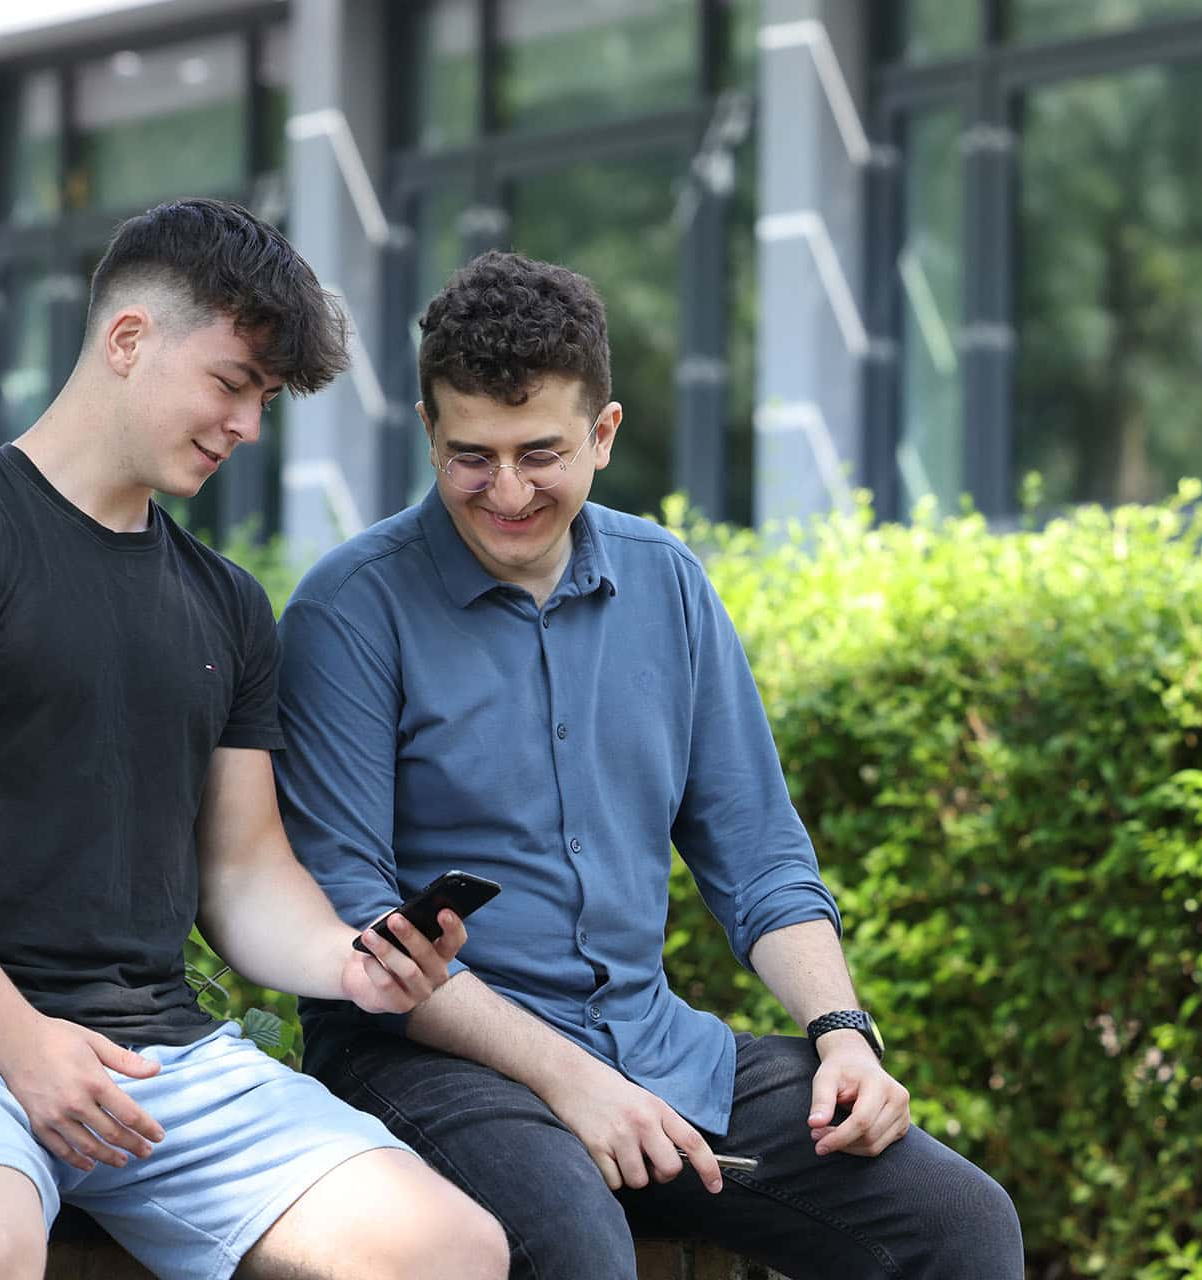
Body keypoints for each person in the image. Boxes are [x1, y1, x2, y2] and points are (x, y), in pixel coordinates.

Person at [273, 249, 1024, 1279]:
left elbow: (758, 854)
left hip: (653, 1043)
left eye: (540, 452)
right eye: (469, 455)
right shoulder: (348, 610)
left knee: (959, 1222)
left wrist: (845, 1033)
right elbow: (353, 916)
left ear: (605, 432)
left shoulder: (668, 584)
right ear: (428, 431)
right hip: (427, 1058)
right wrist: (573, 1081)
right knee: (578, 1247)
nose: (504, 490)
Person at [0, 198, 508, 1280]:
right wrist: (20, 1039)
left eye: (265, 399)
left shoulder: (228, 604)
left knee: (454, 1250)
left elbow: (242, 869)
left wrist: (351, 963)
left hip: (162, 1059)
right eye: (233, 382)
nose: (247, 426)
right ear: (129, 340)